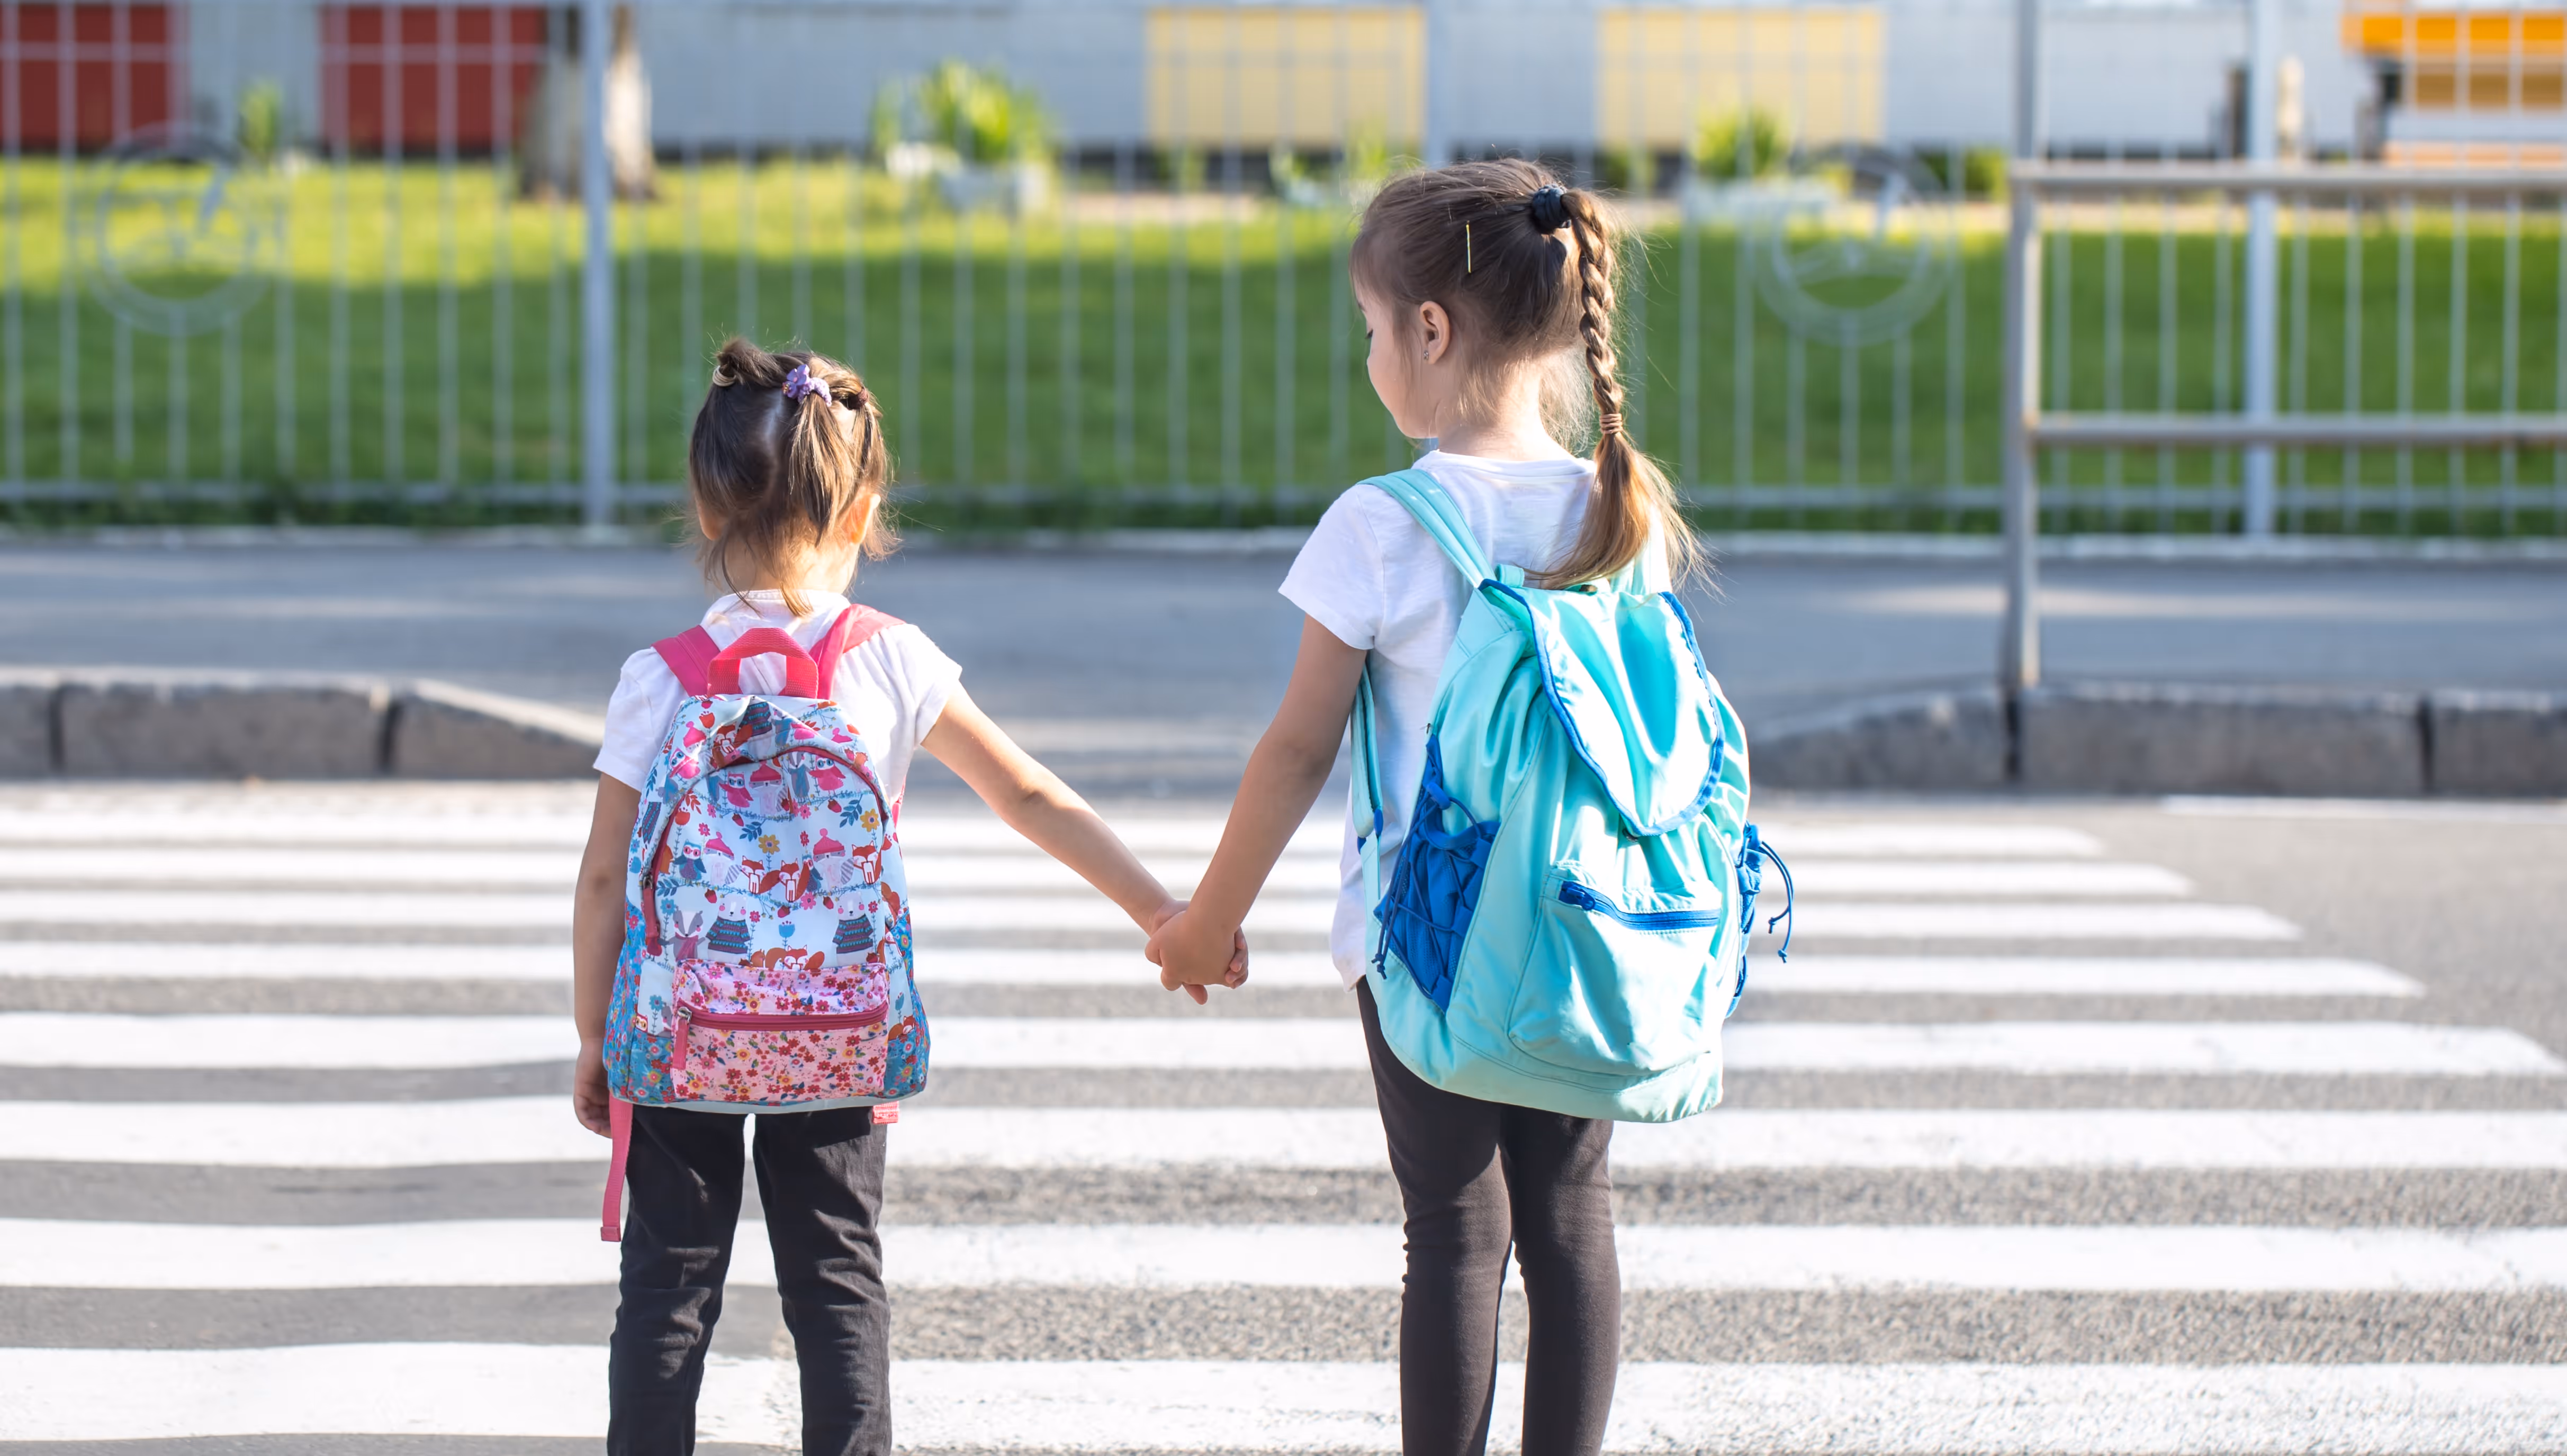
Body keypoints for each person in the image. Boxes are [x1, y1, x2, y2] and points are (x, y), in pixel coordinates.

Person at [568, 337, 1245, 1456]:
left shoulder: (660, 678)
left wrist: (599, 1034)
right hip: (839, 1032)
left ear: (702, 505)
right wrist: (1162, 912)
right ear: (862, 510)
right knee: (837, 1284)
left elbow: (604, 875)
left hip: (680, 1037)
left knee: (667, 1295)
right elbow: (1028, 794)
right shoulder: (891, 660)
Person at [1147, 160, 1696, 1456]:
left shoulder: (1381, 526)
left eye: (1372, 327)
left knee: (1454, 1227)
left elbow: (1294, 751)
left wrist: (1205, 920)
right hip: (1585, 928)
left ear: (1431, 330)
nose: (1372, 352)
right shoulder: (1620, 507)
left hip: (1425, 946)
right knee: (1571, 1216)